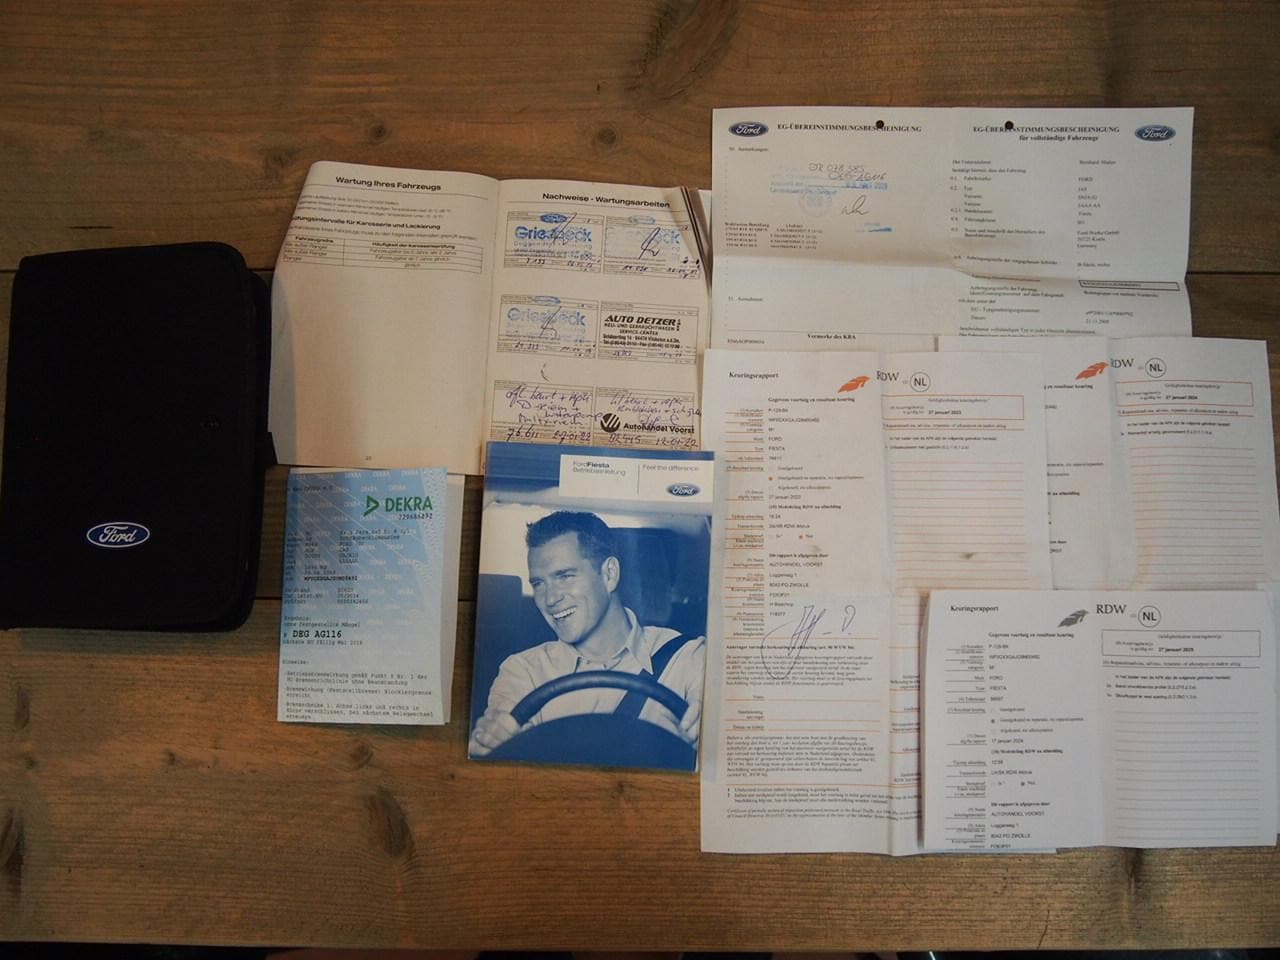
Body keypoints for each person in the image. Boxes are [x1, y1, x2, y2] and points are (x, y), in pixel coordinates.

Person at [468, 510, 705, 758]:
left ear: (609, 574)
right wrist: (494, 740)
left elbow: (710, 713)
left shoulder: (688, 658)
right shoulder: (523, 671)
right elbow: (504, 738)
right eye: (538, 583)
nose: (550, 599)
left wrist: (709, 723)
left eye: (564, 576)